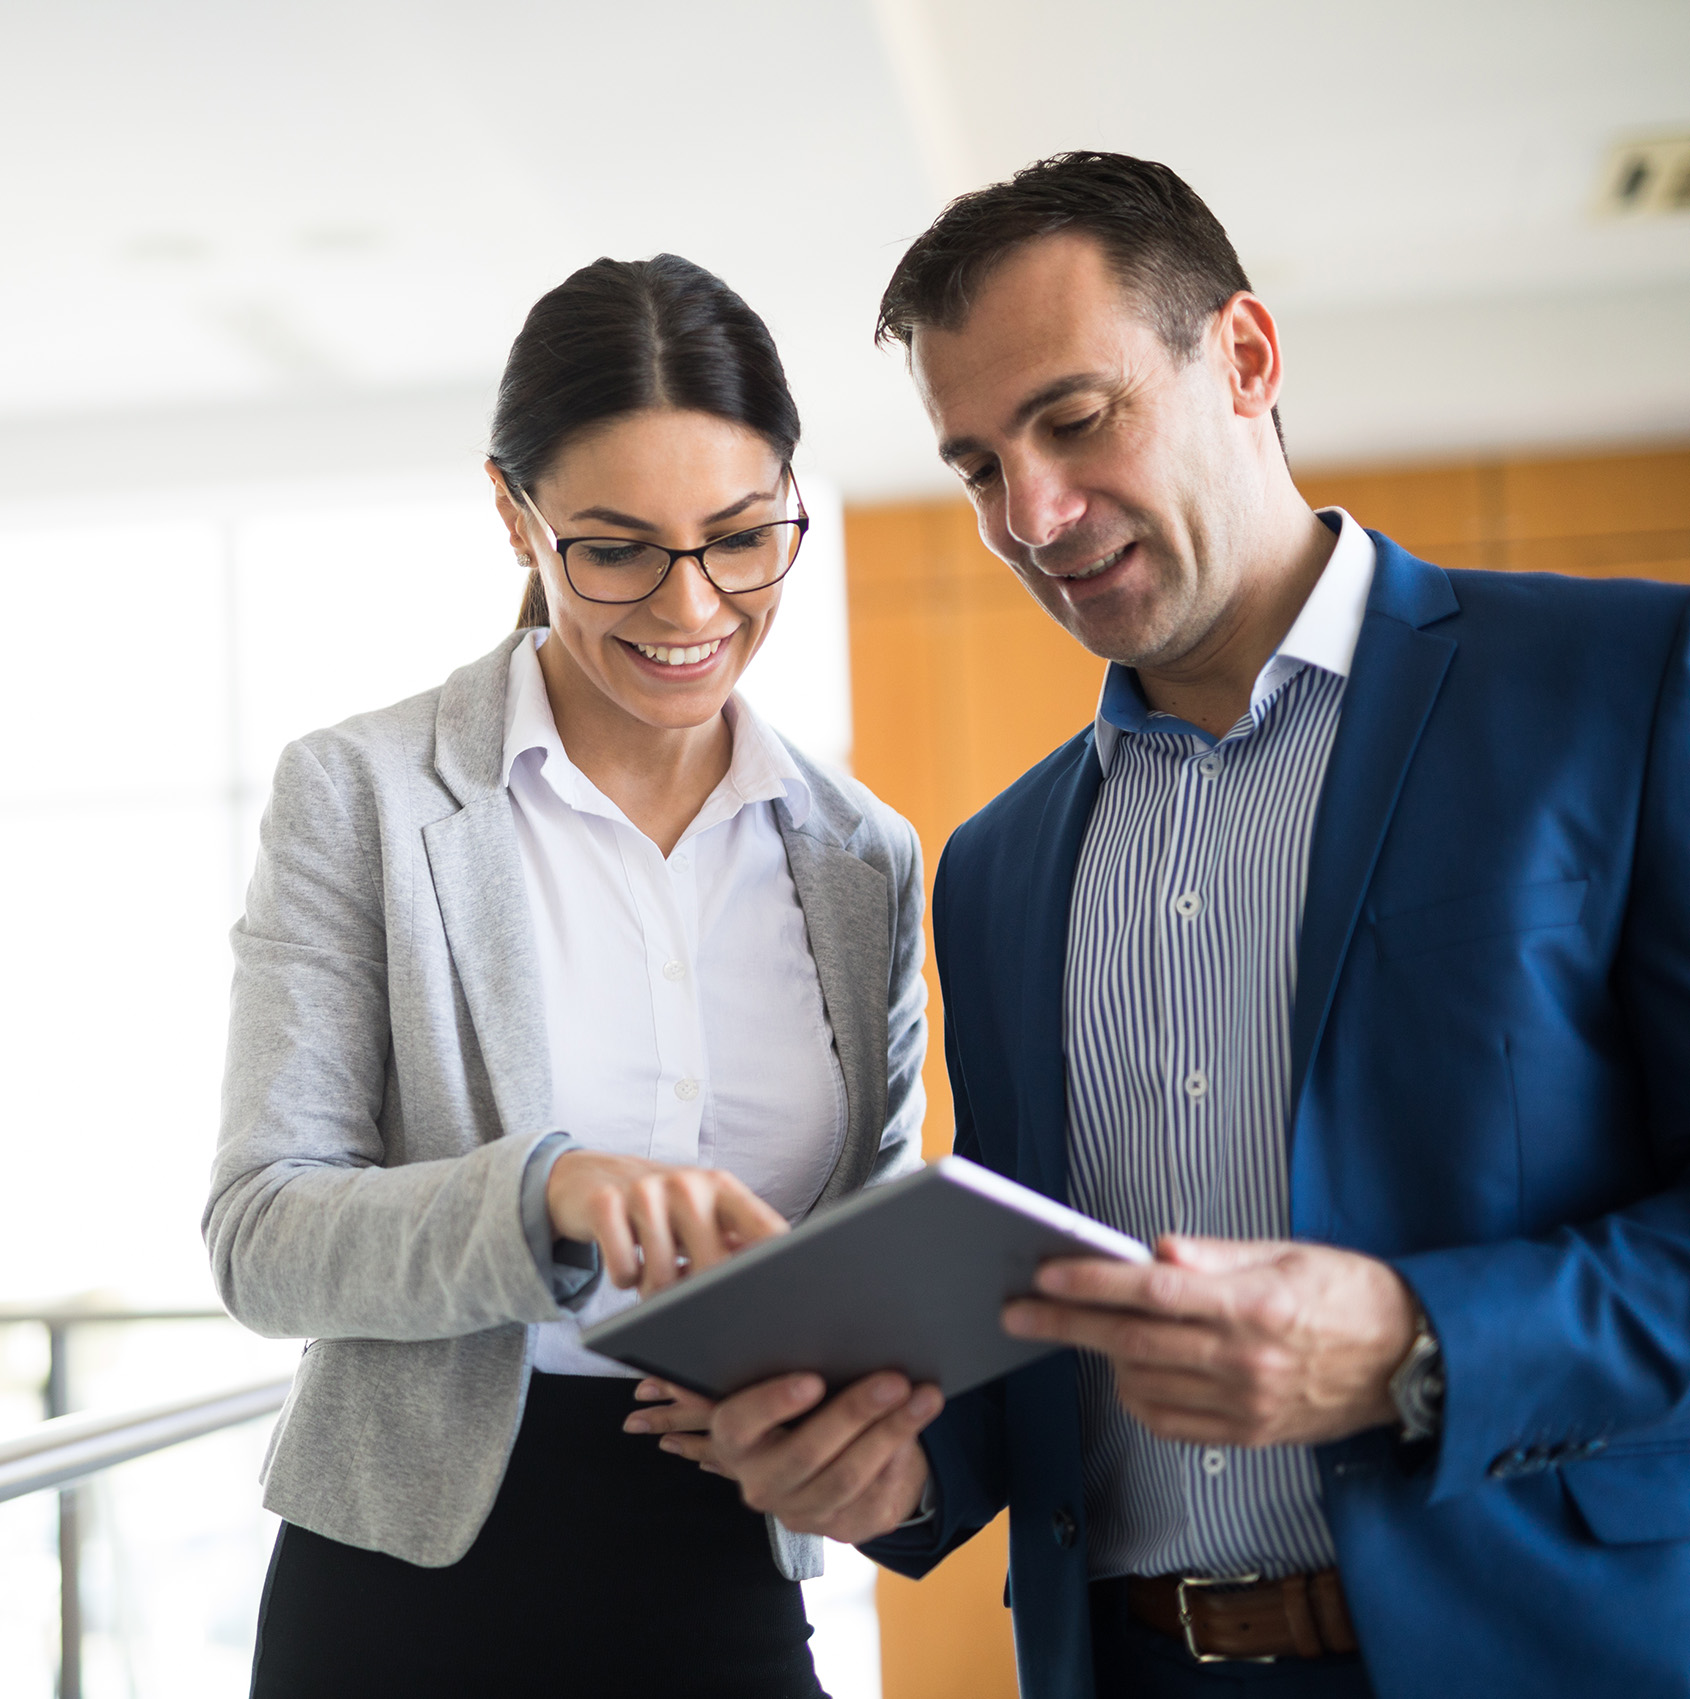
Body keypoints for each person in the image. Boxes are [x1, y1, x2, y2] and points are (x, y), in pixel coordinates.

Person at [671, 154, 1690, 1698]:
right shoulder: (997, 867)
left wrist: (1420, 1339)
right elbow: (1036, 1313)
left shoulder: (1620, 688)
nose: (1030, 514)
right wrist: (896, 1470)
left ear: (1245, 357)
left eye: (1075, 421)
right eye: (974, 465)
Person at [203, 252, 927, 1698]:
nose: (691, 604)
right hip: (406, 1581)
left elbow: (864, 1249)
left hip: (728, 1555)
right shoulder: (365, 796)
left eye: (740, 536)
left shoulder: (862, 859)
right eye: (615, 547)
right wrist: (547, 1191)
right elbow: (262, 1237)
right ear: (513, 517)